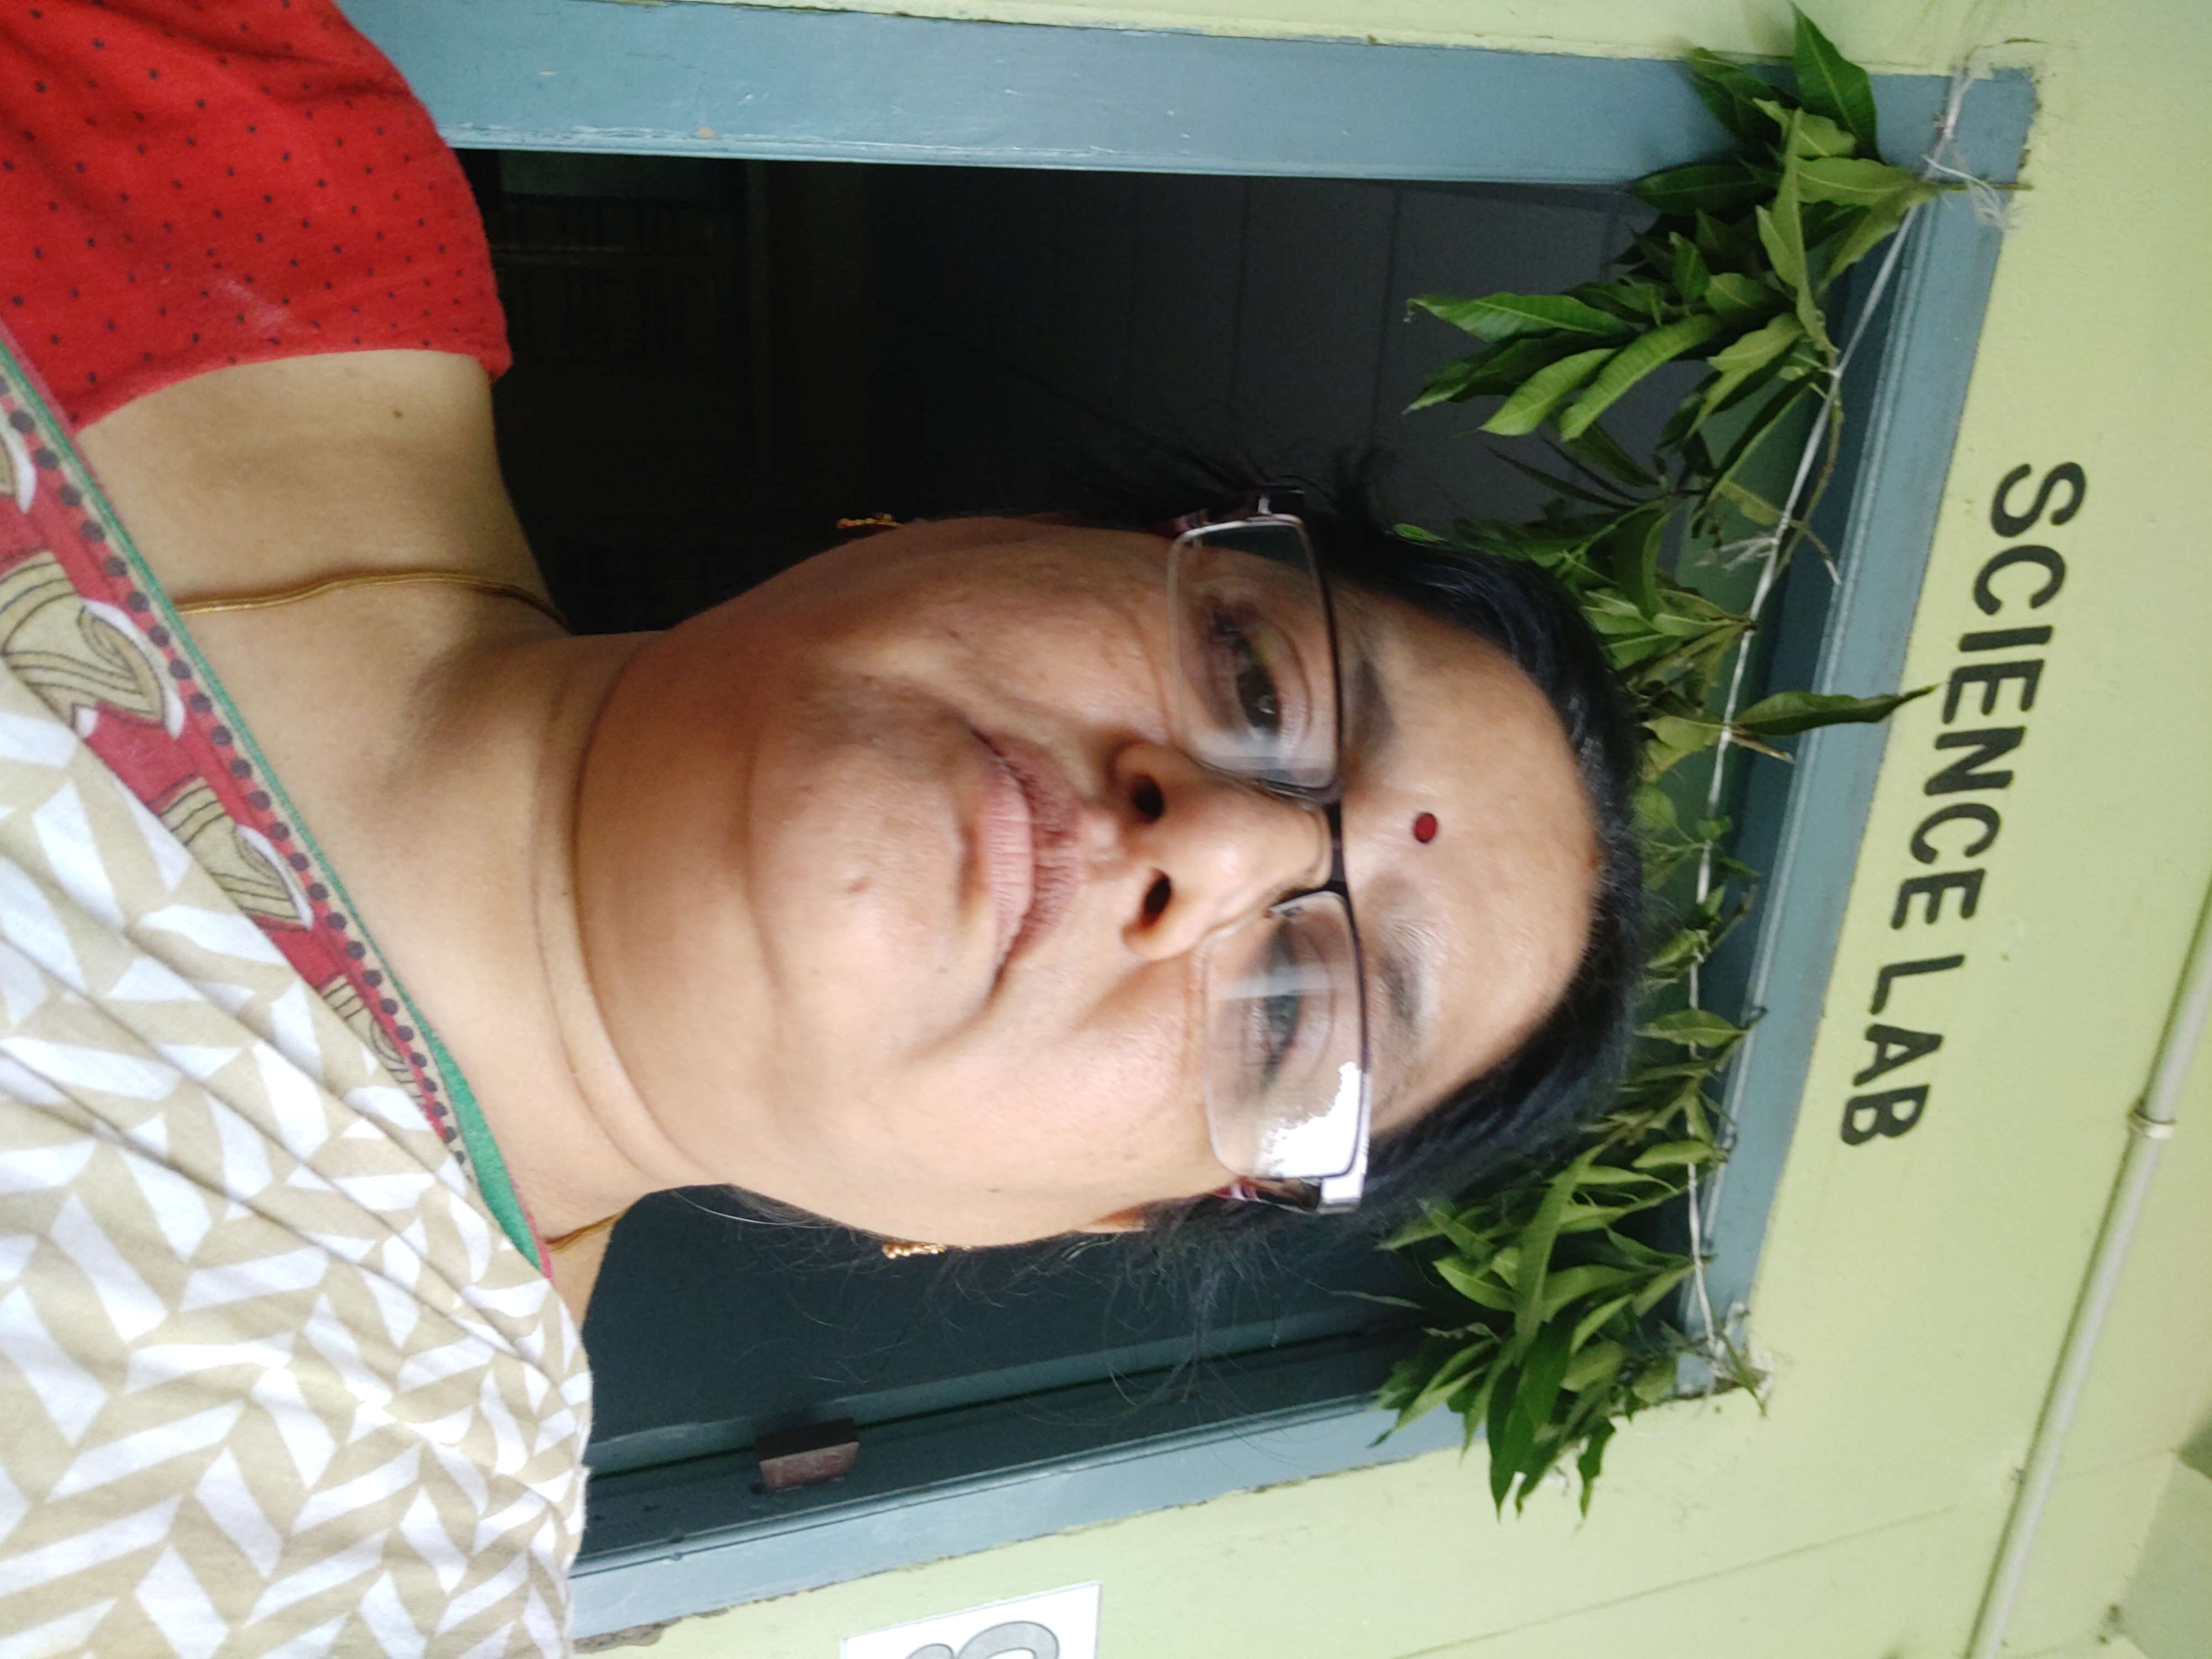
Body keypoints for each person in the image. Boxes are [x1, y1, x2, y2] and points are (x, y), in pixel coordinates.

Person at [0, 0, 1641, 1651]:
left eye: (1293, 1019)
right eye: (1260, 682)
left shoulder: (344, 1562)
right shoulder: (245, 142)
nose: (1215, 847)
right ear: (1030, 532)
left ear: (1076, 1214)